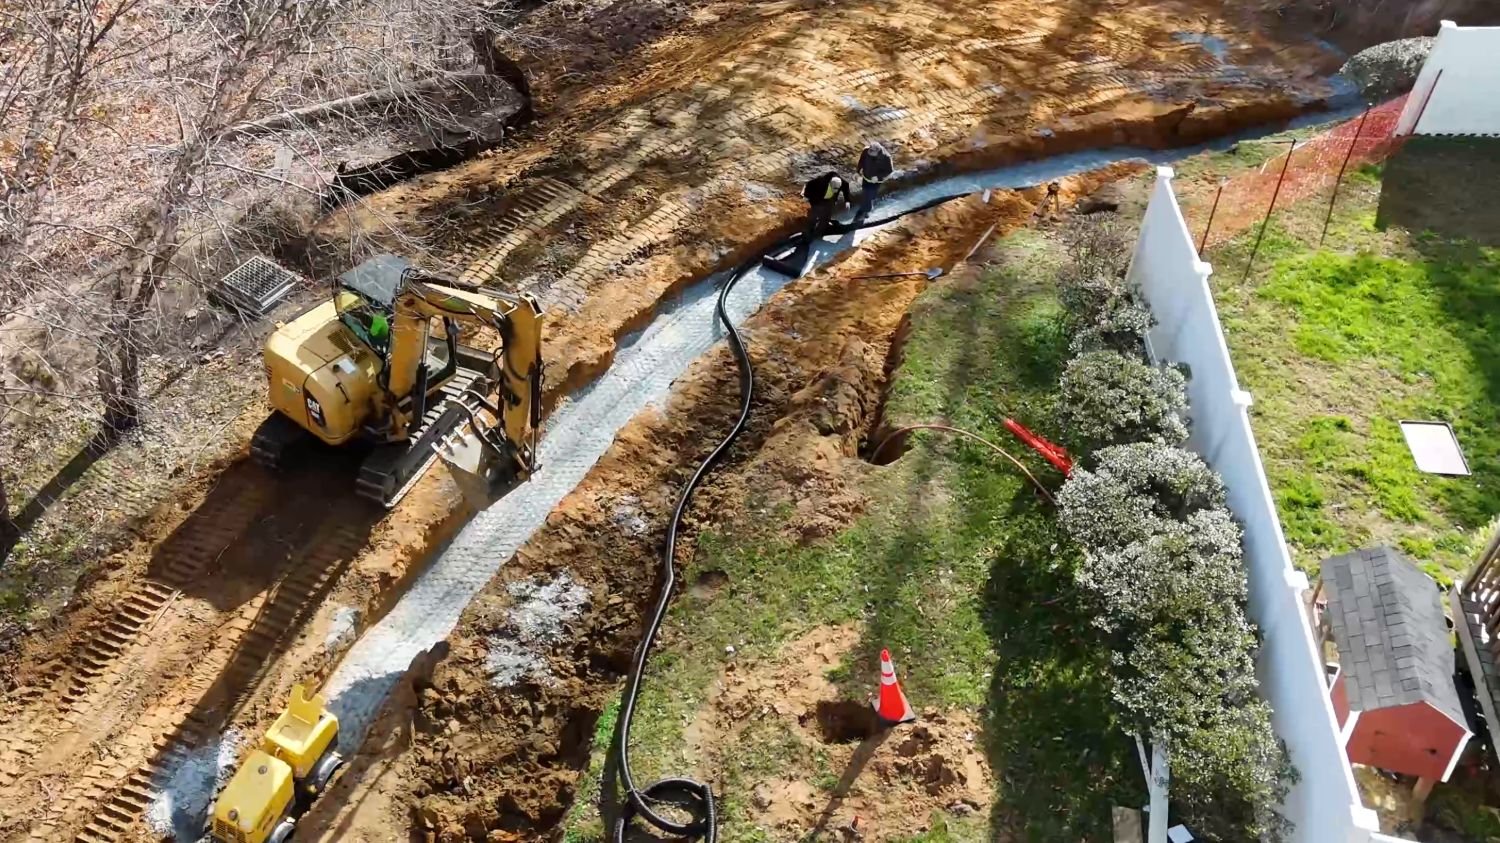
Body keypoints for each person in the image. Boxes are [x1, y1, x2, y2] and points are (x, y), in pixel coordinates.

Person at [802, 171, 851, 243]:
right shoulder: (820, 182)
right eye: (834, 188)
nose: (836, 191)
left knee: (826, 218)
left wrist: (847, 201)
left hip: (829, 200)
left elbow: (846, 187)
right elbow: (809, 185)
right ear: (830, 183)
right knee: (813, 217)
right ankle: (807, 233)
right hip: (818, 199)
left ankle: (818, 234)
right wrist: (806, 196)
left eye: (837, 189)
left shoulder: (841, 183)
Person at [855, 142, 894, 222]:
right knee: (865, 191)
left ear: (877, 151)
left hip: (876, 181)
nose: (869, 153)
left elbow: (889, 170)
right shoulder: (866, 151)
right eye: (869, 150)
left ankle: (866, 211)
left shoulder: (886, 157)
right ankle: (866, 206)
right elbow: (861, 160)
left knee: (870, 194)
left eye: (872, 152)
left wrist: (878, 177)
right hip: (866, 177)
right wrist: (858, 171)